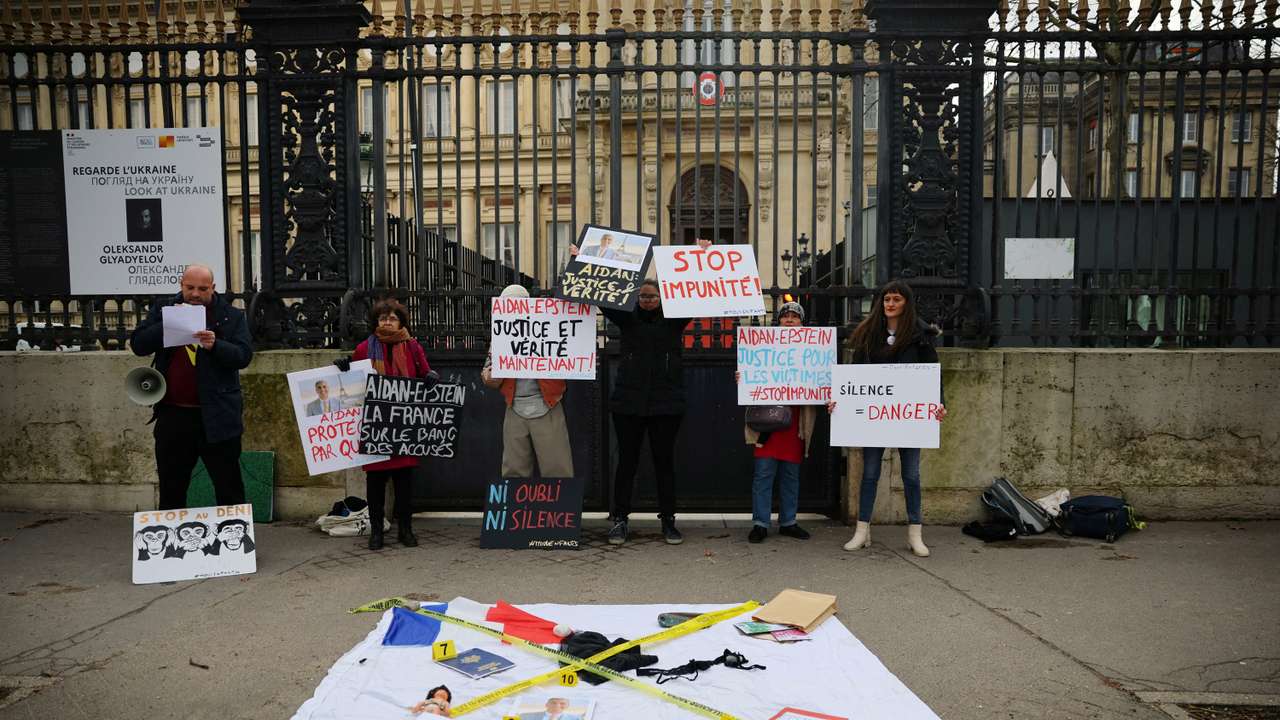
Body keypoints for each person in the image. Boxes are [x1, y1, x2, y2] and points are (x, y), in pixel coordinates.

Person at [583, 238, 712, 546]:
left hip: (666, 405)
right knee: (626, 462)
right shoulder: (627, 319)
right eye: (643, 296)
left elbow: (699, 290)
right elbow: (602, 294)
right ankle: (620, 520)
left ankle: (668, 522)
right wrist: (582, 262)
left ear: (662, 296)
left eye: (652, 296)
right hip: (628, 404)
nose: (647, 300)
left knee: (663, 462)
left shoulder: (675, 319)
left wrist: (700, 254)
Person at [831, 280, 946, 557]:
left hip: (908, 418)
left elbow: (933, 372)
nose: (890, 304)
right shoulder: (869, 335)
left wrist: (940, 403)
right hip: (875, 419)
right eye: (886, 300)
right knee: (869, 473)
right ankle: (862, 531)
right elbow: (854, 374)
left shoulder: (920, 336)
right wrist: (841, 401)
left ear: (906, 303)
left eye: (896, 299)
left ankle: (915, 534)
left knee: (912, 475)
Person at [130, 264, 253, 510]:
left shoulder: (232, 315)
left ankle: (233, 543)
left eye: (202, 289)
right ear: (181, 285)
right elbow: (139, 345)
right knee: (171, 487)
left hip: (218, 415)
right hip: (173, 414)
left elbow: (243, 356)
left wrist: (215, 345)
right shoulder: (164, 310)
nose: (196, 294)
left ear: (213, 289)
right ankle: (172, 546)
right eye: (190, 288)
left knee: (228, 486)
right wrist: (167, 324)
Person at [345, 298, 436, 550]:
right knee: (375, 485)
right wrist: (343, 368)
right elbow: (352, 382)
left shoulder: (412, 347)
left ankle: (405, 530)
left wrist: (430, 377)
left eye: (392, 318)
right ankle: (377, 532)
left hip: (404, 426)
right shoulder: (364, 348)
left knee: (404, 484)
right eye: (383, 318)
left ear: (401, 321)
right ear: (376, 321)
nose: (387, 321)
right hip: (377, 427)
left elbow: (424, 373)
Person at [738, 301, 818, 544]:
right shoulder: (764, 346)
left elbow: (821, 377)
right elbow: (751, 373)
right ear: (779, 321)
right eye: (786, 316)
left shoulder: (813, 349)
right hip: (767, 424)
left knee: (790, 475)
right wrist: (743, 377)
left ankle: (788, 522)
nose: (790, 320)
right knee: (763, 474)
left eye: (795, 317)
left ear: (802, 323)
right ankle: (760, 523)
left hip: (795, 423)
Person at [481, 284, 574, 479]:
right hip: (515, 406)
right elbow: (489, 374)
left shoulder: (549, 328)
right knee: (514, 468)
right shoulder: (501, 335)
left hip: (547, 404)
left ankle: (558, 509)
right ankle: (517, 509)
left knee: (557, 467)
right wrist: (491, 375)